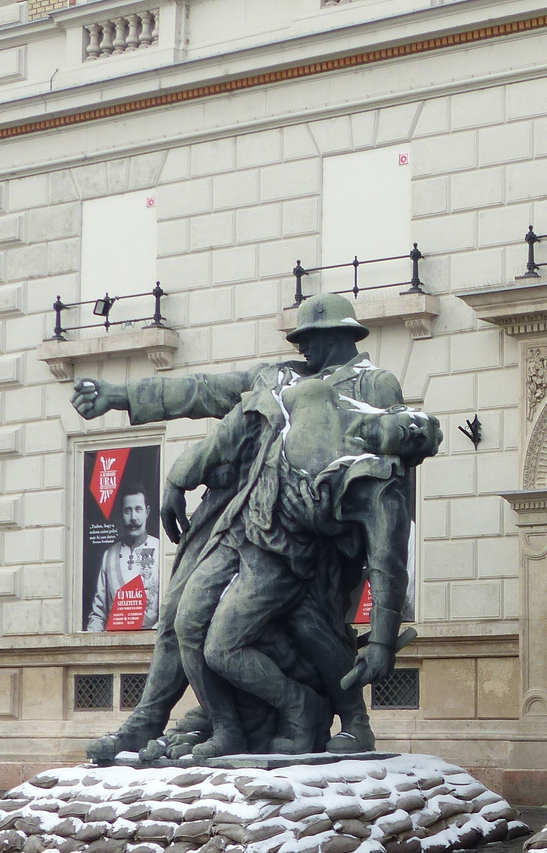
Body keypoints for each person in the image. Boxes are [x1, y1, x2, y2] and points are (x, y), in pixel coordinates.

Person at [72, 293, 406, 763]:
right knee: (179, 616)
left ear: (337, 336)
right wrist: (119, 396)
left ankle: (335, 718)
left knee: (303, 626)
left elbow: (383, 466)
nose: (302, 348)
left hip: (313, 531)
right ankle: (155, 718)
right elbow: (203, 391)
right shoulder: (276, 376)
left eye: (309, 339)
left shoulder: (373, 384)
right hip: (238, 514)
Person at [169, 381, 438, 759]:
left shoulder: (379, 486)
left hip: (280, 557)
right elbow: (245, 418)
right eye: (416, 423)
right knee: (187, 628)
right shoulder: (314, 394)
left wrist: (381, 643)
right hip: (239, 525)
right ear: (394, 412)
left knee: (222, 649)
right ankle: (226, 727)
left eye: (418, 439)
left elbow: (388, 567)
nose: (414, 431)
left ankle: (300, 705)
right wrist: (180, 475)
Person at [85, 480, 160, 631]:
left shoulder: (160, 549)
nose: (133, 517)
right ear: (121, 513)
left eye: (138, 509)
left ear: (147, 512)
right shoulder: (109, 556)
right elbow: (98, 614)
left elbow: (170, 610)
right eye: (128, 510)